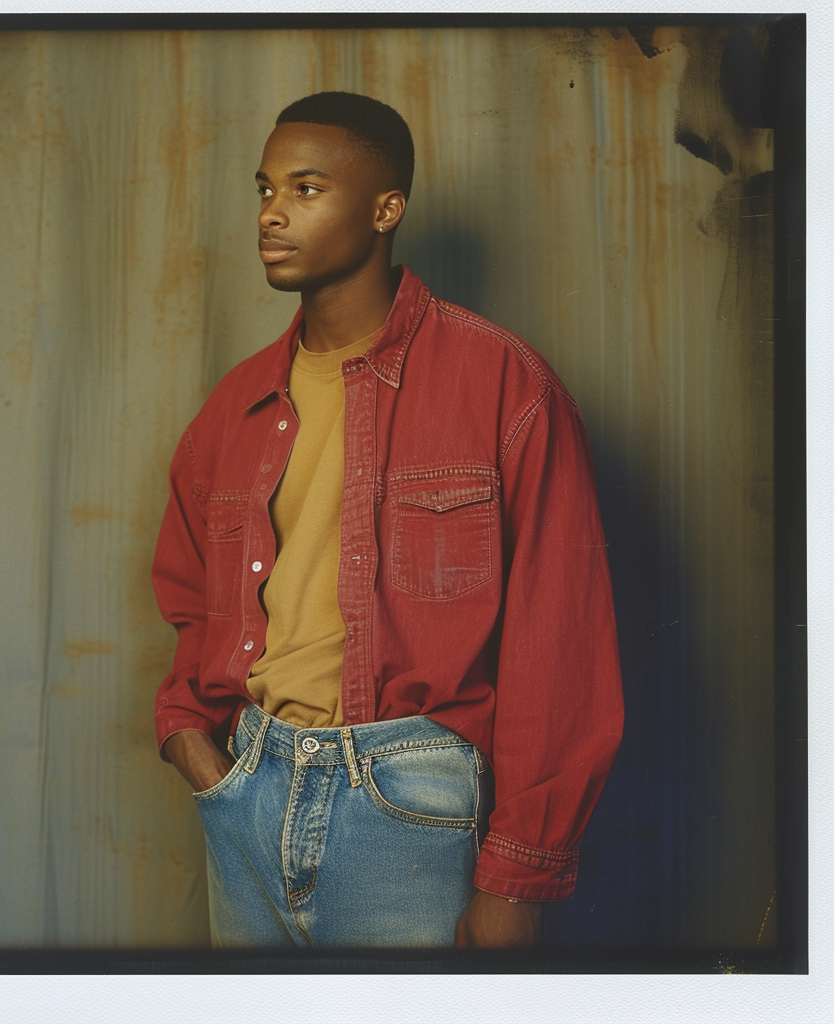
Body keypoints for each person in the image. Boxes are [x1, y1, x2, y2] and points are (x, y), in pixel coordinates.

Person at [151, 91, 624, 949]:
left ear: (385, 209)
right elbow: (189, 596)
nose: (272, 214)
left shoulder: (504, 386)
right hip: (248, 783)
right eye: (264, 189)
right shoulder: (234, 408)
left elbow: (562, 643)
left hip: (409, 804)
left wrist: (517, 872)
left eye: (305, 189)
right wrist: (192, 741)